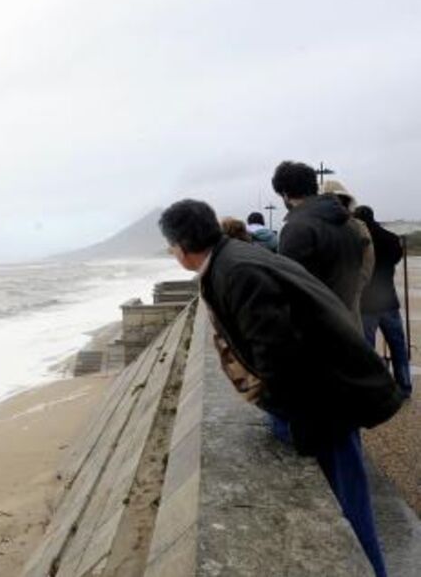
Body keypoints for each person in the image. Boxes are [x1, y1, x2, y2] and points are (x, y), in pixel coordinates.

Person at [159, 199, 404, 577]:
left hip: (329, 397)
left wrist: (285, 414)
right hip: (329, 387)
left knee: (351, 504)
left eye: (170, 246)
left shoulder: (236, 271)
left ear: (181, 248)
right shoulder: (234, 257)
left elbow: (277, 353)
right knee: (349, 494)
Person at [272, 161, 366, 325]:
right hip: (343, 321)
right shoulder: (349, 225)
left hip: (314, 329)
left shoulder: (297, 228)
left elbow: (290, 287)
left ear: (285, 194)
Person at [355, 205, 413, 396]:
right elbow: (396, 258)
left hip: (366, 303)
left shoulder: (358, 240)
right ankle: (404, 385)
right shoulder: (391, 238)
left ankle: (372, 390)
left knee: (367, 350)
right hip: (388, 299)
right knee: (398, 345)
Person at [321, 179, 375, 320]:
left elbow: (367, 263)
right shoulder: (358, 226)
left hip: (341, 299)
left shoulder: (358, 227)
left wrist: (355, 287)